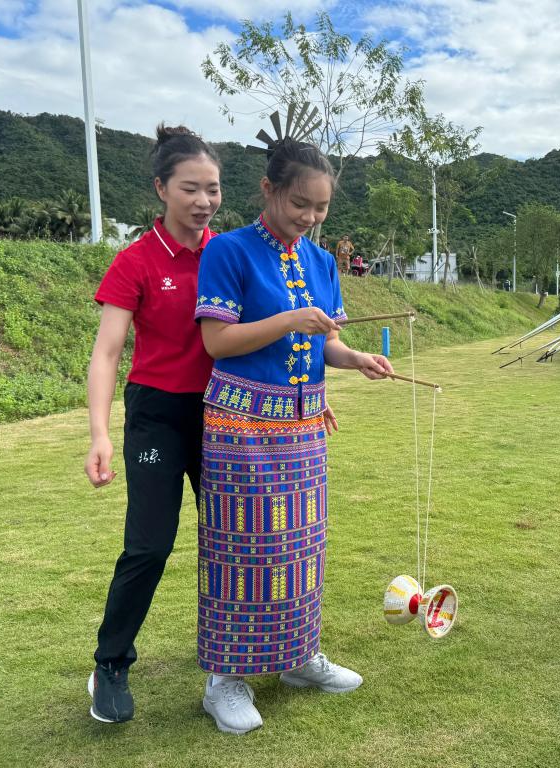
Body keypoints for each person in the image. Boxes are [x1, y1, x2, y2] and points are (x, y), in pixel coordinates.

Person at [194, 121, 393, 735]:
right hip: (240, 423)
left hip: (303, 424)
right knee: (239, 548)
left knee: (300, 547)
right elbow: (216, 340)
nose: (310, 216)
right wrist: (286, 320)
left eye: (322, 206)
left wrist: (354, 357)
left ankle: (298, 656)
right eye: (300, 203)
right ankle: (225, 679)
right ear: (268, 190)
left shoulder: (323, 260)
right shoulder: (228, 250)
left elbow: (324, 341)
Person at [85, 125, 222, 723]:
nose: (203, 201)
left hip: (225, 410)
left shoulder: (230, 252)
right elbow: (108, 350)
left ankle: (234, 657)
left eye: (213, 189)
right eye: (190, 188)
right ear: (161, 189)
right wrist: (99, 433)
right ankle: (111, 664)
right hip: (159, 414)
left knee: (235, 540)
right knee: (149, 544)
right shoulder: (136, 261)